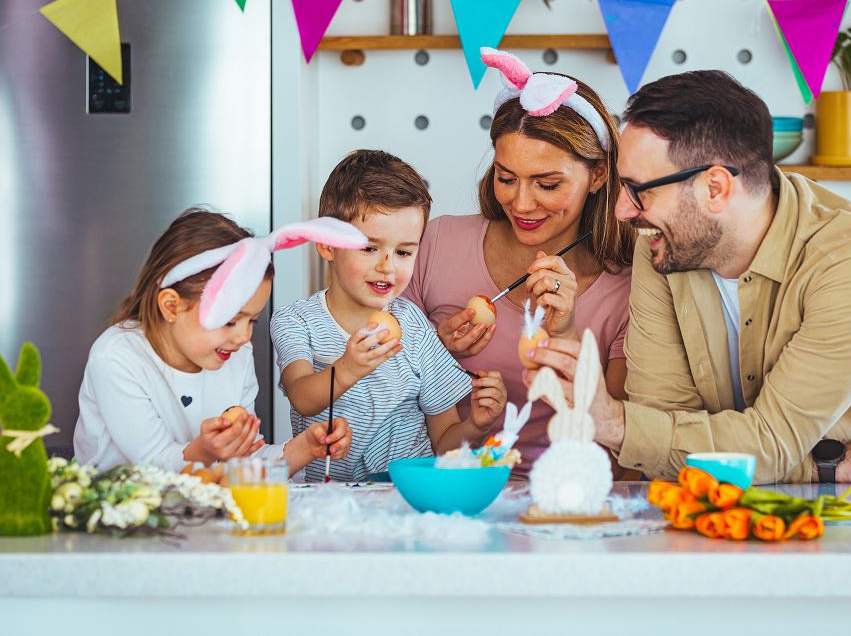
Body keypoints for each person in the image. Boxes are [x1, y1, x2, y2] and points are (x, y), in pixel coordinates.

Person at [527, 70, 851, 483]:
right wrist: (830, 464)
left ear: (715, 187)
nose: (621, 210)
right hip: (816, 509)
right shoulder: (662, 247)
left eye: (637, 190)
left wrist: (611, 422)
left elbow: (768, 443)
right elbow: (668, 439)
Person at [403, 48, 637, 477]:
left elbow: (620, 454)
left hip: (567, 499)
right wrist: (433, 347)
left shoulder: (630, 286)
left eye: (547, 184)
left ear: (599, 175)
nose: (521, 203)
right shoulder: (438, 241)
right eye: (506, 178)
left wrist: (563, 333)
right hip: (451, 489)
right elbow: (379, 394)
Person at [271, 150, 507, 483]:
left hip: (407, 499)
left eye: (404, 252)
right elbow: (302, 396)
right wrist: (350, 367)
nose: (387, 266)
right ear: (326, 245)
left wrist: (477, 425)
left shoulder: (415, 326)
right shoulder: (297, 321)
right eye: (369, 248)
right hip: (333, 506)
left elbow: (445, 442)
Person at [74, 208, 354, 473]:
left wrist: (305, 447)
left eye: (251, 321)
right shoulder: (117, 358)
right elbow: (153, 465)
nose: (244, 336)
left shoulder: (236, 354)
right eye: (230, 320)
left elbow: (244, 463)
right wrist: (205, 451)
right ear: (171, 306)